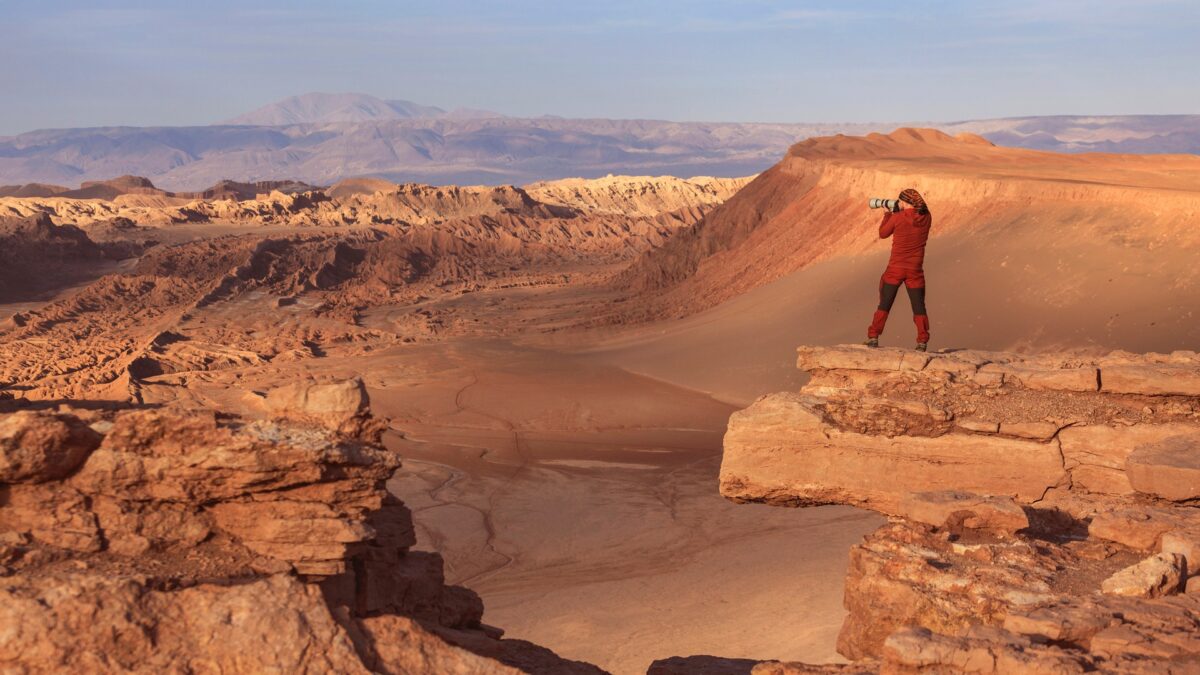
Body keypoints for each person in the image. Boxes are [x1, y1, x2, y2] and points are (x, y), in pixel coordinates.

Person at [864, 188, 931, 351]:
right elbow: (917, 214)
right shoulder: (927, 217)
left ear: (905, 203)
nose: (899, 204)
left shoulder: (897, 217)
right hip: (915, 270)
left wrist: (888, 214)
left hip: (895, 269)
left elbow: (883, 233)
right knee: (918, 305)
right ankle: (922, 341)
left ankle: (873, 337)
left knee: (885, 303)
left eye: (901, 201)